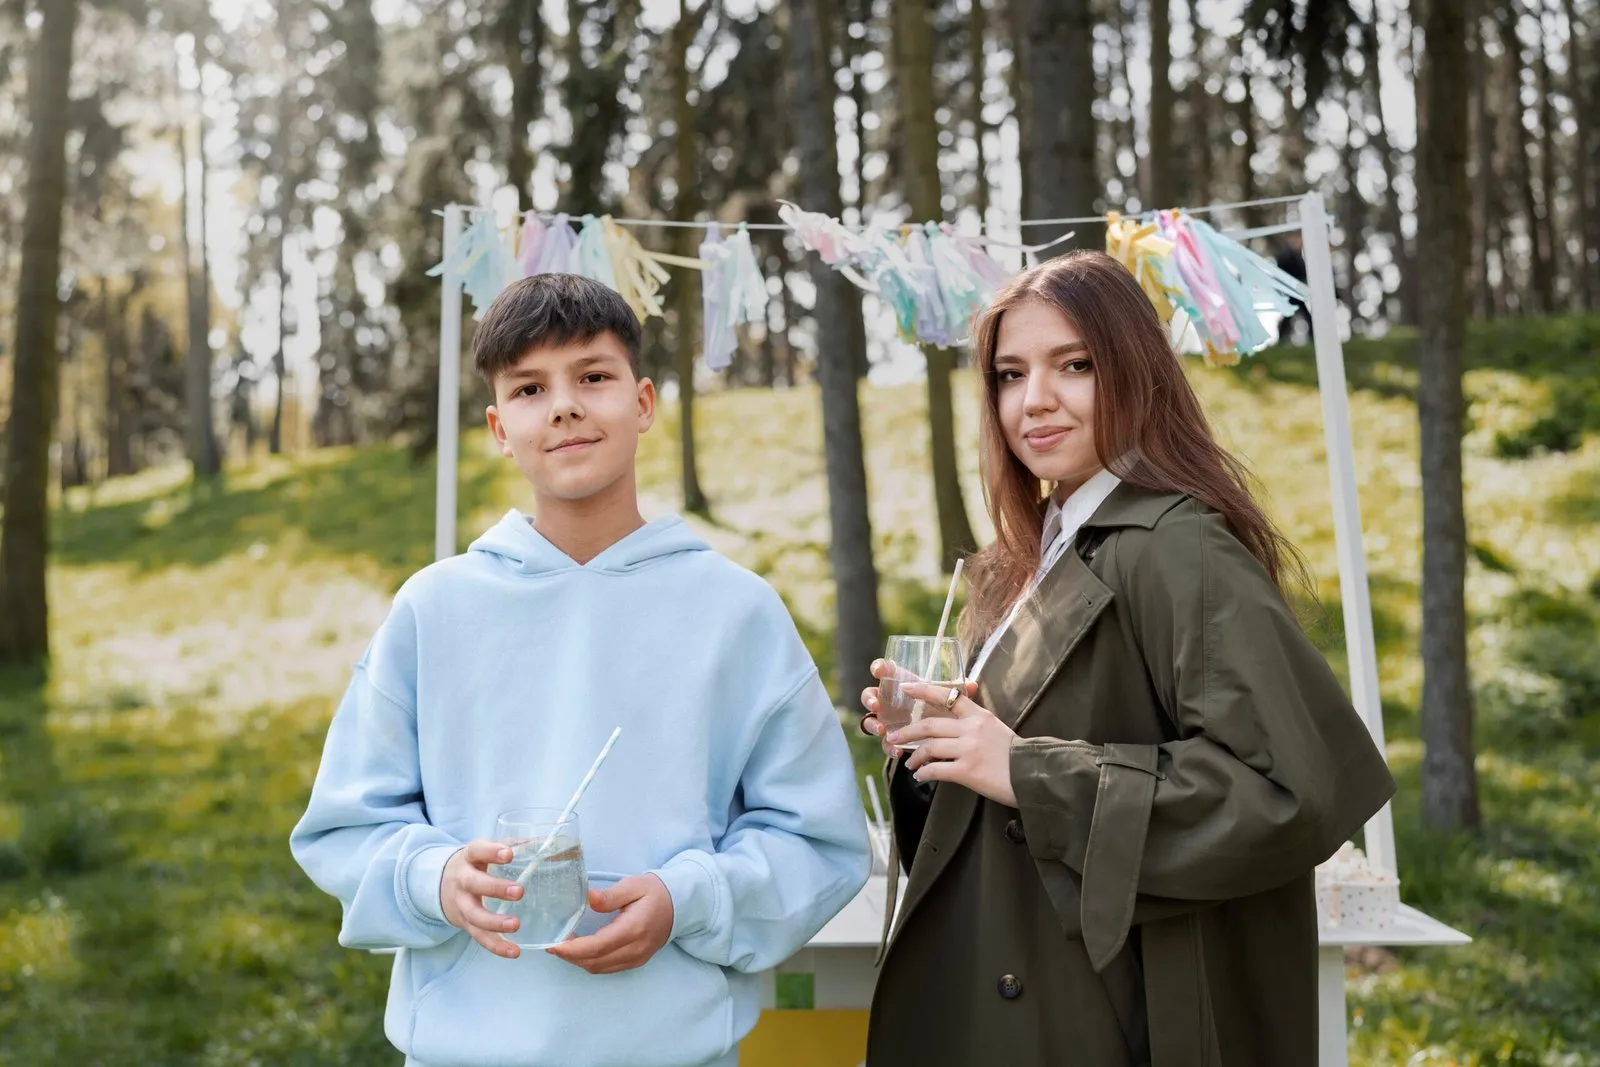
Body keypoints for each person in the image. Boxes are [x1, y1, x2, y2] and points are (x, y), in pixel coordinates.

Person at [291, 273, 871, 1067]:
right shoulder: (433, 610)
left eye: (592, 376)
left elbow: (818, 838)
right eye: (530, 388)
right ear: (499, 426)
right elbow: (346, 826)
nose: (564, 405)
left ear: (642, 403)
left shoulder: (737, 613)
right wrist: (436, 878)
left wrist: (685, 900)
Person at [858, 252, 1395, 1066]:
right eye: (1009, 374)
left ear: (1136, 374)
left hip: (1114, 1012)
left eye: (1073, 365)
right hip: (1012, 986)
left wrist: (1026, 769)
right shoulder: (1034, 552)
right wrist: (942, 742)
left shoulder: (1181, 547)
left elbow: (1290, 790)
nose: (1034, 399)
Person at [1276, 232, 1311, 344]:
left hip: (1296, 292)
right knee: (1292, 316)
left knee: (1292, 316)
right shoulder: (1287, 255)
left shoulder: (1296, 255)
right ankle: (1281, 340)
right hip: (1292, 292)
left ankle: (1281, 340)